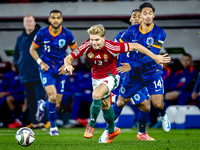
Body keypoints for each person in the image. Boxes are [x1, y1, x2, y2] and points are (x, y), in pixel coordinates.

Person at [64, 24, 170, 143]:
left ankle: (91, 125)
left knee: (96, 95)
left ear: (103, 38)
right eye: (92, 39)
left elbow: (135, 46)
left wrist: (155, 57)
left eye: (97, 39)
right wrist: (68, 65)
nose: (94, 42)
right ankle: (112, 129)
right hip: (96, 79)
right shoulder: (87, 45)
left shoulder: (112, 46)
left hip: (112, 77)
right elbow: (69, 57)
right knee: (105, 106)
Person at [99, 3, 171, 142]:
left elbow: (154, 53)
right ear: (131, 20)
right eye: (136, 16)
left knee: (154, 105)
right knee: (123, 102)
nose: (139, 18)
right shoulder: (127, 33)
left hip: (151, 72)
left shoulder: (158, 32)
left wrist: (152, 59)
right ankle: (109, 131)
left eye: (143, 15)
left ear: (153, 15)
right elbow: (113, 49)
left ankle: (157, 119)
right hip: (130, 75)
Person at [30, 9, 77, 136]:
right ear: (49, 19)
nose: (56, 20)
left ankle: (42, 106)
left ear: (61, 20)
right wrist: (40, 62)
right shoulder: (42, 32)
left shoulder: (67, 34)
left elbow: (75, 52)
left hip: (61, 70)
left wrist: (67, 64)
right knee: (52, 96)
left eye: (58, 18)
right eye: (53, 18)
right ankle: (53, 128)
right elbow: (32, 49)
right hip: (47, 69)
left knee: (56, 103)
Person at [14, 14, 46, 129]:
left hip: (39, 74)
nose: (28, 23)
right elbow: (16, 54)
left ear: (34, 22)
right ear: (24, 23)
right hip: (25, 75)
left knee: (40, 99)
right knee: (31, 100)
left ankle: (42, 122)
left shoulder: (41, 36)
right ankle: (35, 122)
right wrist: (18, 65)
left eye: (30, 21)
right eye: (26, 21)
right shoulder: (20, 38)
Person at [0, 62, 28, 128]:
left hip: (19, 95)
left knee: (10, 99)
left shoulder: (21, 75)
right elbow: (3, 86)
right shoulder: (7, 75)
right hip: (8, 95)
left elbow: (21, 89)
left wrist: (8, 93)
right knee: (2, 100)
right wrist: (1, 92)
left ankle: (18, 119)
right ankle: (4, 121)